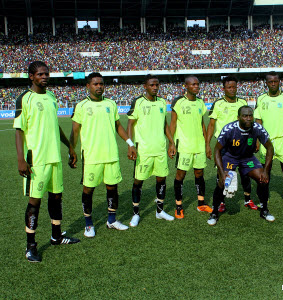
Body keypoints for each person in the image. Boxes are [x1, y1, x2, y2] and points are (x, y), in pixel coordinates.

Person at [14, 61, 80, 263]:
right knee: (35, 202)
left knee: (56, 198)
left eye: (46, 73)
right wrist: (20, 159)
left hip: (54, 158)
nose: (45, 77)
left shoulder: (52, 97)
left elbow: (55, 125)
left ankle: (56, 236)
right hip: (37, 160)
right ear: (31, 76)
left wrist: (69, 146)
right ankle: (30, 246)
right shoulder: (24, 98)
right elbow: (19, 130)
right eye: (40, 74)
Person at [70, 72, 134, 238]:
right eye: (95, 84)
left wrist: (130, 143)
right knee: (88, 190)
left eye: (101, 84)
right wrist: (72, 150)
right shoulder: (82, 106)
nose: (99, 87)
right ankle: (89, 224)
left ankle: (111, 220)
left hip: (111, 155)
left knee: (112, 188)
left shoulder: (111, 104)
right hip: (92, 157)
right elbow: (75, 130)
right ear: (88, 86)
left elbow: (117, 125)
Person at [208, 106, 275, 225]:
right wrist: (221, 171)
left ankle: (264, 210)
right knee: (221, 183)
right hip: (230, 157)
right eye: (245, 116)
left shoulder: (257, 127)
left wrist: (265, 170)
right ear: (238, 117)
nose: (248, 119)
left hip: (247, 158)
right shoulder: (229, 129)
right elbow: (217, 149)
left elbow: (270, 147)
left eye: (250, 116)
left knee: (263, 180)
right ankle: (214, 212)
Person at [127, 75, 176, 226]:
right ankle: (136, 213)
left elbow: (165, 124)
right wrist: (130, 145)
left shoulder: (162, 102)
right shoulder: (138, 102)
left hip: (160, 149)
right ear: (145, 86)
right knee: (138, 181)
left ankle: (160, 211)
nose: (155, 87)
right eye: (152, 85)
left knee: (161, 179)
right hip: (144, 150)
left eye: (157, 85)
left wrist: (171, 142)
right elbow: (130, 124)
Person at [206, 75, 257, 212]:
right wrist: (207, 144)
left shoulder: (242, 102)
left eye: (234, 86)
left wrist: (255, 140)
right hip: (224, 146)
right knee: (223, 173)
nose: (232, 89)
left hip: (243, 144)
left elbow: (250, 123)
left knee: (246, 172)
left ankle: (248, 199)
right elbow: (211, 125)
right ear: (224, 89)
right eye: (229, 87)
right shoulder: (218, 104)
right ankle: (221, 201)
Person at [254, 71, 283, 209]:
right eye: (270, 81)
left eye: (275, 81)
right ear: (266, 83)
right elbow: (258, 120)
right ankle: (264, 198)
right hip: (266, 141)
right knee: (264, 171)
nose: (273, 84)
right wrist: (257, 139)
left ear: (279, 82)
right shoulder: (261, 99)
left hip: (282, 140)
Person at [170, 75, 212, 219]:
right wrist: (171, 143)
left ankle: (201, 204)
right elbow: (173, 124)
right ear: (186, 86)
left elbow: (202, 124)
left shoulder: (201, 103)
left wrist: (207, 144)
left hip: (199, 145)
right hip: (184, 145)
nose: (196, 87)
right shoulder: (178, 102)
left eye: (197, 84)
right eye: (193, 84)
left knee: (199, 173)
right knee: (180, 175)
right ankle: (179, 206)